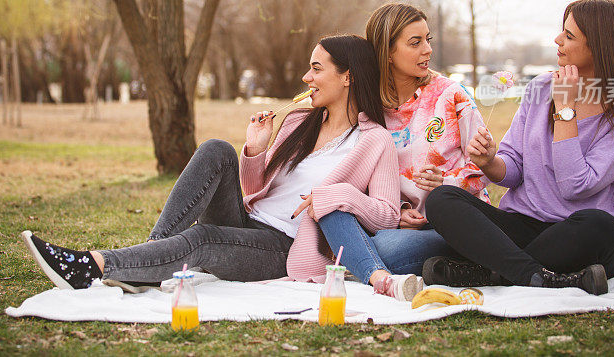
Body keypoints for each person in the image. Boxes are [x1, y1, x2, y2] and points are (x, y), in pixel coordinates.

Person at [20, 34, 401, 290]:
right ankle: (156, 255)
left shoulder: (373, 141)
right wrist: (255, 151)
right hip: (249, 220)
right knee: (218, 148)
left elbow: (386, 214)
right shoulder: (300, 121)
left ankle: (92, 266)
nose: (306, 77)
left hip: (282, 245)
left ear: (348, 76)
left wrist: (338, 198)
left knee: (202, 239)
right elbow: (254, 190)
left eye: (317, 68)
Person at [423, 0, 614, 295]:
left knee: (602, 227)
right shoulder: (540, 87)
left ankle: (493, 270)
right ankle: (535, 275)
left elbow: (574, 185)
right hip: (522, 227)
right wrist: (488, 161)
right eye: (562, 31)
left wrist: (565, 108)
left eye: (570, 36)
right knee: (443, 199)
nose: (557, 40)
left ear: (600, 46)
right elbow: (513, 168)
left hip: (578, 235)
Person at [317, 3, 491, 300]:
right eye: (415, 42)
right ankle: (401, 271)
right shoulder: (369, 109)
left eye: (427, 40)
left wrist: (446, 183)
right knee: (350, 225)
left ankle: (468, 261)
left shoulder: (452, 96)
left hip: (454, 222)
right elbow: (367, 177)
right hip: (393, 227)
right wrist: (398, 212)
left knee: (384, 251)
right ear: (387, 52)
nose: (427, 50)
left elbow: (482, 171)